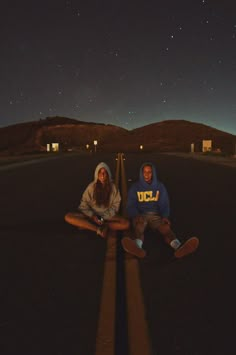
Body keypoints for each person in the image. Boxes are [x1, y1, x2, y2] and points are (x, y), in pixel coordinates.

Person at [122, 162, 199, 258]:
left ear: (153, 173)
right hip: (141, 214)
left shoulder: (159, 186)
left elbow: (164, 203)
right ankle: (137, 247)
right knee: (139, 228)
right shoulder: (135, 187)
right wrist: (135, 215)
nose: (147, 174)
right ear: (141, 173)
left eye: (149, 172)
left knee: (165, 228)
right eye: (144, 172)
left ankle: (178, 246)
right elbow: (130, 204)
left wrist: (165, 216)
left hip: (155, 215)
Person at [65, 162, 129, 238]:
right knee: (68, 216)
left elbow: (115, 206)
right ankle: (98, 229)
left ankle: (90, 225)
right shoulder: (91, 187)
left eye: (105, 172)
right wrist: (93, 216)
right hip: (92, 215)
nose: (102, 175)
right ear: (97, 174)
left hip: (107, 216)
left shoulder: (114, 188)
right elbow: (83, 204)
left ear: (108, 174)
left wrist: (103, 217)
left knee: (126, 224)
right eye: (100, 172)